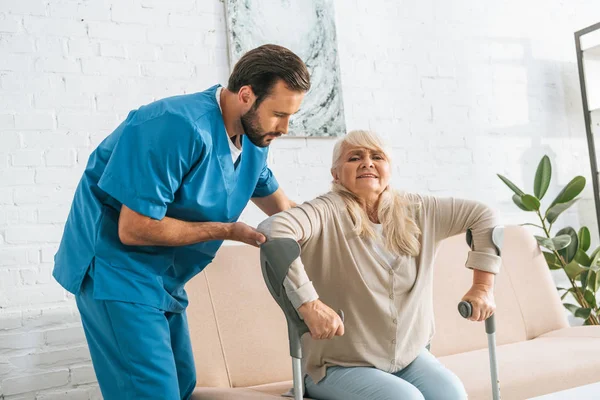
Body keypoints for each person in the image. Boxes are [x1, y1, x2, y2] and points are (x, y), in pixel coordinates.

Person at [52, 44, 310, 400]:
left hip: (165, 279)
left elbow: (284, 208)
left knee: (182, 385)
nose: (284, 128)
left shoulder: (253, 139)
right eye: (279, 114)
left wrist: (345, 223)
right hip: (116, 271)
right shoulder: (175, 125)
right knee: (152, 393)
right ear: (246, 95)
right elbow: (133, 228)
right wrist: (227, 231)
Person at [257, 130, 501, 400]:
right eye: (354, 157)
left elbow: (483, 215)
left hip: (407, 359)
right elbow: (273, 231)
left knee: (452, 394)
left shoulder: (419, 209)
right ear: (336, 174)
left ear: (388, 169)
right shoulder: (324, 211)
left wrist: (482, 287)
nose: (367, 163)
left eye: (376, 156)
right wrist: (309, 304)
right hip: (339, 365)